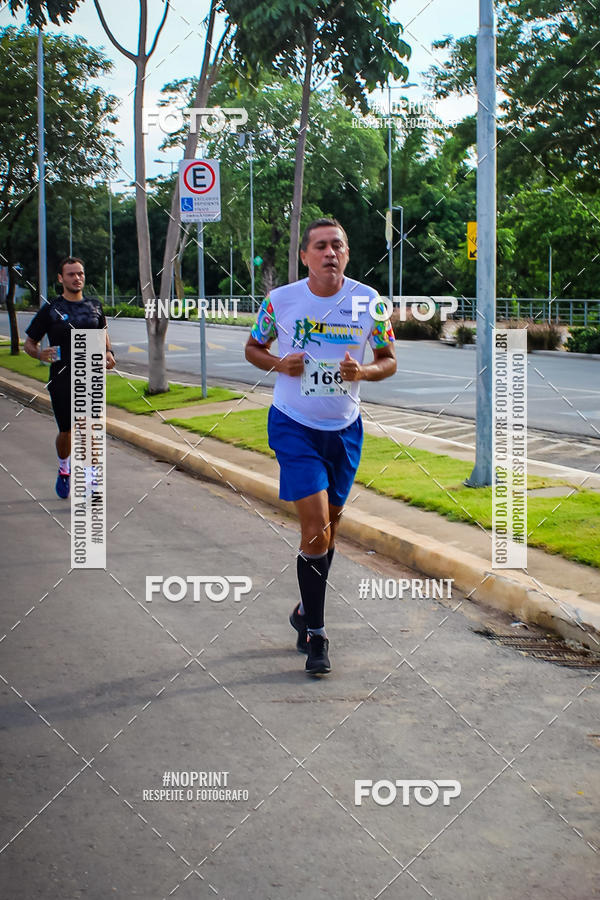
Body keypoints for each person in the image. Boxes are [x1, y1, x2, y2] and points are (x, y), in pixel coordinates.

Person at [245, 219, 396, 676]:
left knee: (329, 531)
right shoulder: (280, 300)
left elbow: (388, 361)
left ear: (347, 253)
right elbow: (253, 347)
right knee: (315, 529)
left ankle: (301, 612)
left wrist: (363, 373)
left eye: (338, 245)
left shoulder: (371, 303)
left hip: (344, 430)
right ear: (306, 255)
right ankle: (317, 635)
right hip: (294, 425)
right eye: (321, 246)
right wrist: (278, 362)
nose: (331, 252)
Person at [24, 257, 116, 499]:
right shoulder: (51, 310)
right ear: (61, 278)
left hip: (91, 377)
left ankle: (90, 483)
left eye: (80, 273)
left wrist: (108, 353)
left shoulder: (95, 306)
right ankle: (64, 468)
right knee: (67, 431)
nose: (77, 278)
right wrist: (39, 353)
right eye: (71, 274)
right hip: (62, 378)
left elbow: (103, 332)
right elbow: (29, 343)